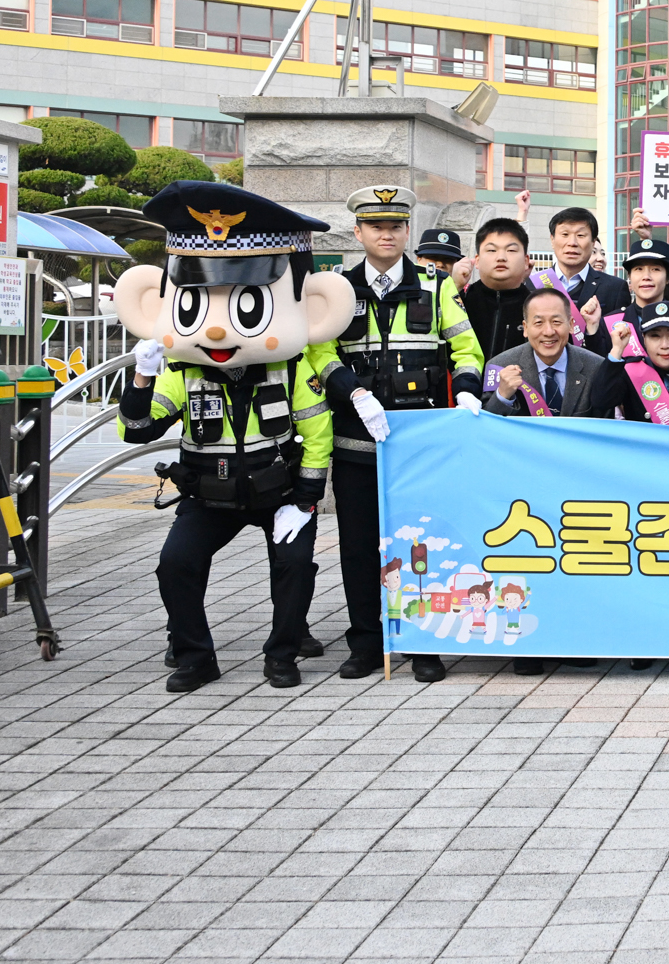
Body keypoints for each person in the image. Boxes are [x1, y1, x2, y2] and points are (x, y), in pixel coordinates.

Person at [114, 182, 352, 692]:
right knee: (175, 564)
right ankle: (195, 655)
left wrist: (306, 500)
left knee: (295, 564)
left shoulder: (288, 371)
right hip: (208, 496)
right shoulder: (182, 370)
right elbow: (139, 431)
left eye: (244, 305)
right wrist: (140, 380)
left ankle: (283, 652)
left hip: (280, 493)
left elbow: (317, 434)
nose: (219, 331)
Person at [319, 186, 485, 685]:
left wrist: (470, 391)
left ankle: (424, 641)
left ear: (408, 231)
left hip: (420, 449)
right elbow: (318, 354)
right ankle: (367, 642)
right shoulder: (336, 289)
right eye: (375, 226)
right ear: (359, 232)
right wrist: (352, 392)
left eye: (395, 226)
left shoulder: (437, 289)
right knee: (358, 545)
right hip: (356, 445)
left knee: (423, 547)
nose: (386, 233)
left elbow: (467, 350)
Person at [483, 288, 610, 417]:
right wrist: (503, 396)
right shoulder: (499, 366)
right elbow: (487, 426)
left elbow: (604, 425)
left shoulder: (596, 367)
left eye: (556, 322)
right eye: (539, 322)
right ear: (525, 328)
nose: (548, 332)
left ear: (571, 325)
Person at [597, 301, 669, 427]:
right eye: (655, 336)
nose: (664, 345)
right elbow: (601, 401)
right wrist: (617, 350)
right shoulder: (631, 371)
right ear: (644, 339)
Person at [536, 207, 629, 358]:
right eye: (565, 234)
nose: (572, 242)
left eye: (580, 235)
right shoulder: (534, 284)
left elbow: (619, 347)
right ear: (552, 240)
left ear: (593, 243)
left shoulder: (615, 288)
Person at [459, 218, 534, 360]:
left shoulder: (537, 308)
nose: (501, 257)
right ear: (477, 260)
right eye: (491, 250)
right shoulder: (461, 301)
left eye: (511, 250)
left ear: (526, 261)